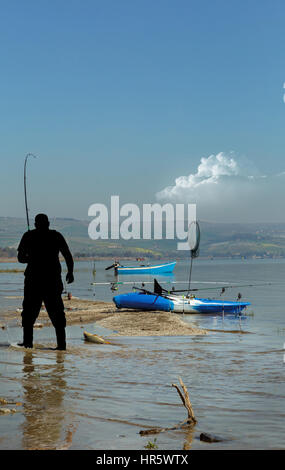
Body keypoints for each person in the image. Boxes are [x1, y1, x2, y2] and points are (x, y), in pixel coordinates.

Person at [17, 213, 74, 350]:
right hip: (51, 281)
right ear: (48, 223)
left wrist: (30, 258)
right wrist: (70, 272)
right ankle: (61, 346)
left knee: (29, 314)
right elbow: (67, 256)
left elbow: (20, 258)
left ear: (36, 224)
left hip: (34, 281)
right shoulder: (56, 236)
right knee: (56, 314)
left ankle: (28, 344)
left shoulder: (28, 236)